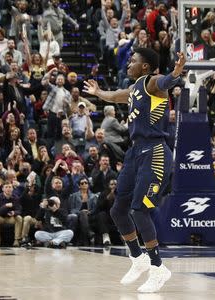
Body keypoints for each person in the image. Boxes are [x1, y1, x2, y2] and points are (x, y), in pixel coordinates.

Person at [83, 48, 185, 293]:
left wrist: (177, 71)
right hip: (135, 152)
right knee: (118, 209)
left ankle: (158, 268)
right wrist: (98, 92)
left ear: (146, 67)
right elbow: (114, 95)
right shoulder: (134, 89)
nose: (129, 63)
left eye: (134, 60)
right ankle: (138, 258)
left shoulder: (152, 84)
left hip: (155, 152)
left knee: (139, 210)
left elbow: (167, 80)